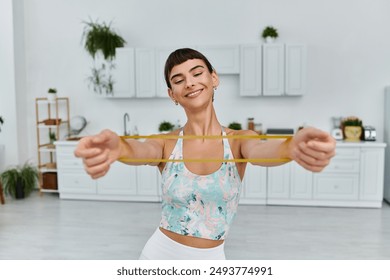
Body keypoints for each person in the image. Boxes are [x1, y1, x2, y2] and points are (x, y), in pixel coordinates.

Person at [74, 48, 336, 260]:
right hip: (158, 257)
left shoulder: (239, 141)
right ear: (172, 94)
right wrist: (119, 147)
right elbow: (140, 149)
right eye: (178, 80)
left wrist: (290, 147)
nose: (189, 82)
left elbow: (264, 150)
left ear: (214, 78)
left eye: (197, 73)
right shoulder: (165, 143)